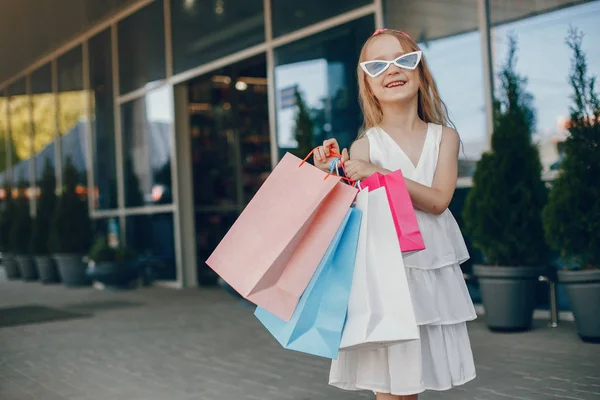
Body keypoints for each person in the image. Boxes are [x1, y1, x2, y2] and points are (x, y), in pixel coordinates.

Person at [313, 28, 477, 400]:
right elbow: (352, 211)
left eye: (404, 60)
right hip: (386, 275)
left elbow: (438, 201)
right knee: (391, 387)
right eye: (377, 65)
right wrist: (333, 171)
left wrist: (382, 174)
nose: (392, 70)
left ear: (420, 73)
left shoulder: (444, 137)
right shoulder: (364, 146)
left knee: (412, 384)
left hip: (429, 273)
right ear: (368, 84)